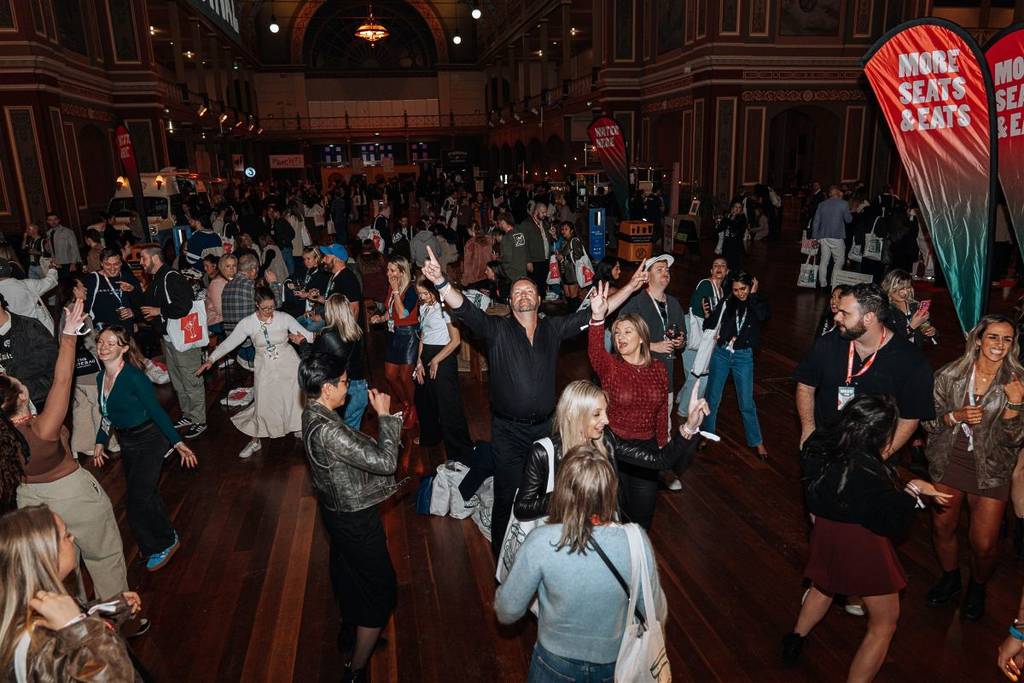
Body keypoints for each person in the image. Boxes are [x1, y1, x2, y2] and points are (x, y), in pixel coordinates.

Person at [423, 246, 649, 557]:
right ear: (510, 301)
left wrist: (631, 287)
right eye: (517, 292)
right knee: (507, 496)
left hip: (546, 430)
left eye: (529, 290)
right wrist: (440, 282)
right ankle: (502, 562)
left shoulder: (552, 329)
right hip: (508, 432)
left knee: (547, 493)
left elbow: (595, 313)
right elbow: (465, 309)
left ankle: (542, 552)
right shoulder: (497, 330)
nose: (523, 295)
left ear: (539, 299)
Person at [783, 395, 952, 680]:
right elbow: (892, 523)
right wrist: (914, 491)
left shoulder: (818, 446)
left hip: (825, 535)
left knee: (823, 587)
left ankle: (794, 641)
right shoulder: (868, 473)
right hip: (863, 547)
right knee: (883, 626)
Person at [495, 445, 668, 683]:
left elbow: (507, 611)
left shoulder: (541, 542)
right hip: (615, 665)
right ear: (610, 490)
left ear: (562, 491)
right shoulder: (635, 540)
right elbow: (656, 610)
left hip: (553, 664)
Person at [0, 300, 132, 604]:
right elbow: (62, 380)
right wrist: (69, 335)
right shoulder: (42, 429)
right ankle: (119, 617)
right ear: (22, 395)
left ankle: (75, 618)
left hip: (30, 502)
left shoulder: (7, 437)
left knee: (57, 569)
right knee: (104, 556)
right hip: (73, 495)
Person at [299, 353, 401, 683]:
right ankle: (355, 671)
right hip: (355, 520)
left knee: (348, 575)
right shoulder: (328, 431)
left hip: (335, 512)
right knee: (381, 590)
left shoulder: (312, 412)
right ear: (327, 388)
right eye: (344, 382)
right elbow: (386, 462)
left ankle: (349, 634)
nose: (348, 388)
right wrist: (385, 417)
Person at [920, 315, 1024, 622]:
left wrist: (1015, 406)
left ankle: (977, 586)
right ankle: (950, 577)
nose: (1000, 345)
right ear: (978, 340)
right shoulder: (949, 375)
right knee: (942, 527)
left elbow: (1014, 440)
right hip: (948, 461)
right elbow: (927, 422)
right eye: (993, 337)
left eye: (1007, 339)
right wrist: (956, 416)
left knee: (984, 543)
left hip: (991, 468)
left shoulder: (1018, 382)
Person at [91, 326, 197, 571]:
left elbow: (156, 411)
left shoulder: (134, 377)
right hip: (127, 442)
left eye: (111, 343)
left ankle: (161, 544)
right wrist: (100, 440)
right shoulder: (100, 378)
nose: (103, 347)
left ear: (124, 348)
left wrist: (177, 442)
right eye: (101, 342)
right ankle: (164, 535)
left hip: (149, 439)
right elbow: (107, 413)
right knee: (146, 493)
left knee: (136, 500)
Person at [0, 505, 143, 680]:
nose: (73, 537)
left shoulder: (46, 602)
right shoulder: (44, 645)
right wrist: (78, 630)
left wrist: (110, 609)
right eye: (66, 535)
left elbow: (76, 615)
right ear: (47, 556)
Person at [794, 283, 935, 451]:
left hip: (872, 452)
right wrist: (808, 430)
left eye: (844, 313)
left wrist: (881, 457)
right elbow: (805, 385)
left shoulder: (912, 361)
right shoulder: (828, 343)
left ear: (868, 318)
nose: (836, 317)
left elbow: (910, 418)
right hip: (824, 445)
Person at [197, 286, 314, 458]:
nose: (270, 311)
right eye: (265, 308)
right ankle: (255, 440)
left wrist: (330, 334)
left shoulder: (284, 318)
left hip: (289, 364)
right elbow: (230, 342)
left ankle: (297, 427)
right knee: (263, 403)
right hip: (265, 367)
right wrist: (211, 359)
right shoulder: (248, 323)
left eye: (272, 307)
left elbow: (308, 336)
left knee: (294, 398)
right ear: (257, 305)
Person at [588, 290, 672, 526]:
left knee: (642, 518)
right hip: (614, 447)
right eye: (617, 332)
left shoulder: (658, 368)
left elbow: (662, 409)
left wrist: (662, 444)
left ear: (642, 337)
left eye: (627, 332)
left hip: (647, 449)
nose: (620, 337)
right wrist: (597, 317)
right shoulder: (611, 367)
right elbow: (595, 351)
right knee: (613, 518)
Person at [513, 380, 614, 521]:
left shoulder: (605, 443)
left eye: (605, 412)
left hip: (595, 527)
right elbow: (521, 508)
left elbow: (613, 499)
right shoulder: (543, 452)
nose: (606, 420)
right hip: (557, 530)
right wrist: (566, 496)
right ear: (572, 414)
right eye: (597, 414)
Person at [138, 246, 207, 439]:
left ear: (154, 258)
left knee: (191, 379)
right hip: (169, 337)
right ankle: (189, 415)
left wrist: (159, 311)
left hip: (183, 336)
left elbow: (184, 305)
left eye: (143, 258)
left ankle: (199, 420)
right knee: (178, 380)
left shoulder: (171, 277)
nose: (141, 262)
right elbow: (148, 304)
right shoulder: (157, 278)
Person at [701, 272, 771, 459]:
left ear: (751, 286)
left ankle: (757, 442)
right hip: (722, 353)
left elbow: (763, 316)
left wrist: (753, 295)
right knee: (712, 397)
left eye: (744, 289)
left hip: (743, 356)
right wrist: (708, 316)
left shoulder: (757, 302)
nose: (740, 293)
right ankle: (706, 433)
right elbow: (710, 323)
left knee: (746, 402)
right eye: (736, 290)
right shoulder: (727, 302)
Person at [412, 278, 473, 463]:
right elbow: (423, 335)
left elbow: (456, 340)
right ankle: (431, 437)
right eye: (420, 294)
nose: (422, 297)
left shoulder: (446, 308)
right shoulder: (424, 306)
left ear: (434, 291)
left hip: (443, 356)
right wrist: (419, 361)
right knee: (423, 398)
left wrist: (436, 360)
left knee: (448, 406)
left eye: (425, 293)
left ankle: (460, 452)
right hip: (427, 354)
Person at [370, 256, 418, 431]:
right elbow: (391, 312)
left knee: (405, 377)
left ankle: (413, 408)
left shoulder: (411, 290)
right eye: (388, 270)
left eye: (392, 270)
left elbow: (403, 314)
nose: (388, 274)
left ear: (402, 272)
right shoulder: (392, 288)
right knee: (390, 375)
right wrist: (381, 318)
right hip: (393, 334)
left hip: (408, 335)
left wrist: (397, 291)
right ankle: (406, 403)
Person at [678, 257, 729, 417]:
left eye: (722, 265)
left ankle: (680, 400)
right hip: (693, 331)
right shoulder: (706, 285)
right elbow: (703, 310)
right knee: (697, 375)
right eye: (716, 265)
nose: (719, 268)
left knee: (693, 374)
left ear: (727, 272)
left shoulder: (721, 292)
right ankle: (684, 411)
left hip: (703, 335)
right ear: (711, 270)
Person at [308, 294, 369, 430]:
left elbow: (313, 365)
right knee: (353, 436)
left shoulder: (327, 336)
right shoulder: (357, 332)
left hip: (341, 392)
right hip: (360, 389)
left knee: (336, 438)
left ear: (329, 312)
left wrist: (302, 343)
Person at [0, 292, 57, 410]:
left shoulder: (29, 325)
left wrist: (10, 372)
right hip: (7, 403)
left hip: (38, 397)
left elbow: (50, 355)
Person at [84, 248, 141, 335]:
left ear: (121, 263)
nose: (112, 268)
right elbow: (85, 307)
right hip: (103, 333)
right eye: (108, 264)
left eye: (116, 264)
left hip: (126, 331)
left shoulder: (129, 278)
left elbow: (142, 304)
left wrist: (134, 313)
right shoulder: (92, 280)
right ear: (101, 263)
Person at [881, 269, 936, 348]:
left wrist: (931, 332)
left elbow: (924, 335)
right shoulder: (885, 310)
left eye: (908, 287)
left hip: (915, 351)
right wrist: (911, 327)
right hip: (897, 353)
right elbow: (890, 341)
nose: (905, 292)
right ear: (889, 288)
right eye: (901, 289)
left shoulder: (915, 305)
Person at [811, 185, 853, 288]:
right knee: (839, 260)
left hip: (823, 236)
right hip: (836, 236)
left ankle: (822, 283)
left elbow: (816, 222)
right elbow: (849, 220)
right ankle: (834, 284)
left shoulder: (822, 204)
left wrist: (815, 237)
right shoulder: (843, 203)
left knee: (824, 260)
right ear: (838, 192)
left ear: (829, 194)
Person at [0, 258, 58, 333]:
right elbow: (50, 281)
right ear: (10, 270)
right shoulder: (27, 285)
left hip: (15, 334)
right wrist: (52, 269)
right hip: (39, 329)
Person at [205, 253, 235, 340]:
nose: (232, 269)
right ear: (222, 268)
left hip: (228, 320)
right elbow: (221, 311)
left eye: (234, 266)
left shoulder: (232, 280)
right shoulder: (217, 283)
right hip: (217, 322)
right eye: (228, 266)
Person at [557, 221, 586, 304]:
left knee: (573, 297)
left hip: (573, 273)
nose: (563, 231)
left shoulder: (574, 240)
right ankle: (571, 311)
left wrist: (564, 256)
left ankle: (576, 312)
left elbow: (579, 256)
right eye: (562, 229)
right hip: (565, 272)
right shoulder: (564, 241)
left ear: (572, 230)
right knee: (568, 296)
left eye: (566, 229)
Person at [498, 211, 530, 283]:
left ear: (503, 222)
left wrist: (506, 273)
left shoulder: (507, 238)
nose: (499, 225)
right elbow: (524, 250)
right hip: (523, 271)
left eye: (499, 223)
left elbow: (507, 258)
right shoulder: (519, 233)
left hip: (513, 275)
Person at [46, 212, 81, 276]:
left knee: (70, 281)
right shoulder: (49, 233)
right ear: (48, 222)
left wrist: (73, 263)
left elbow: (74, 248)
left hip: (67, 262)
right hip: (56, 263)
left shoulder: (67, 231)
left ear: (59, 220)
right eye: (50, 220)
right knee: (60, 281)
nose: (53, 222)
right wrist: (47, 245)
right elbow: (50, 251)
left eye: (55, 219)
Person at [716, 201, 748, 272]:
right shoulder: (729, 216)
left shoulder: (742, 218)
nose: (737, 209)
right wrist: (718, 223)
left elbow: (735, 226)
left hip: (735, 245)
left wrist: (726, 219)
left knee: (734, 266)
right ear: (732, 208)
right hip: (726, 243)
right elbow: (720, 229)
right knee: (726, 264)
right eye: (735, 207)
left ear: (741, 210)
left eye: (739, 207)